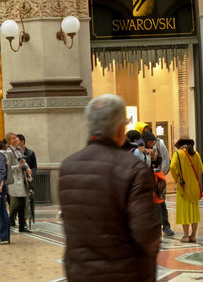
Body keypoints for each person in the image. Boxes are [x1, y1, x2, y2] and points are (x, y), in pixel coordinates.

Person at [59, 95, 159, 282]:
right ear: (121, 128)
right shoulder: (133, 168)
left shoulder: (68, 167)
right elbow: (147, 233)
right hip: (126, 273)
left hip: (80, 272)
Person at [174, 137, 203, 245]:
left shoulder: (178, 154)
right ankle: (193, 235)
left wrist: (178, 178)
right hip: (194, 187)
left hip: (183, 188)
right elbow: (201, 169)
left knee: (185, 212)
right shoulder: (196, 154)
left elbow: (172, 167)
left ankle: (186, 236)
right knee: (194, 212)